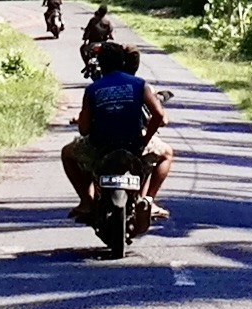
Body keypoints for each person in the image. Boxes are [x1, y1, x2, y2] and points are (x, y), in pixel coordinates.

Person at [62, 35, 171, 214]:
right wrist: (145, 139)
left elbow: (84, 129)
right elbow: (159, 115)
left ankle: (87, 201)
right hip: (133, 146)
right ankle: (149, 200)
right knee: (167, 154)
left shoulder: (92, 89)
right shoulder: (139, 84)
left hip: (100, 148)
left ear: (101, 65)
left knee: (67, 153)